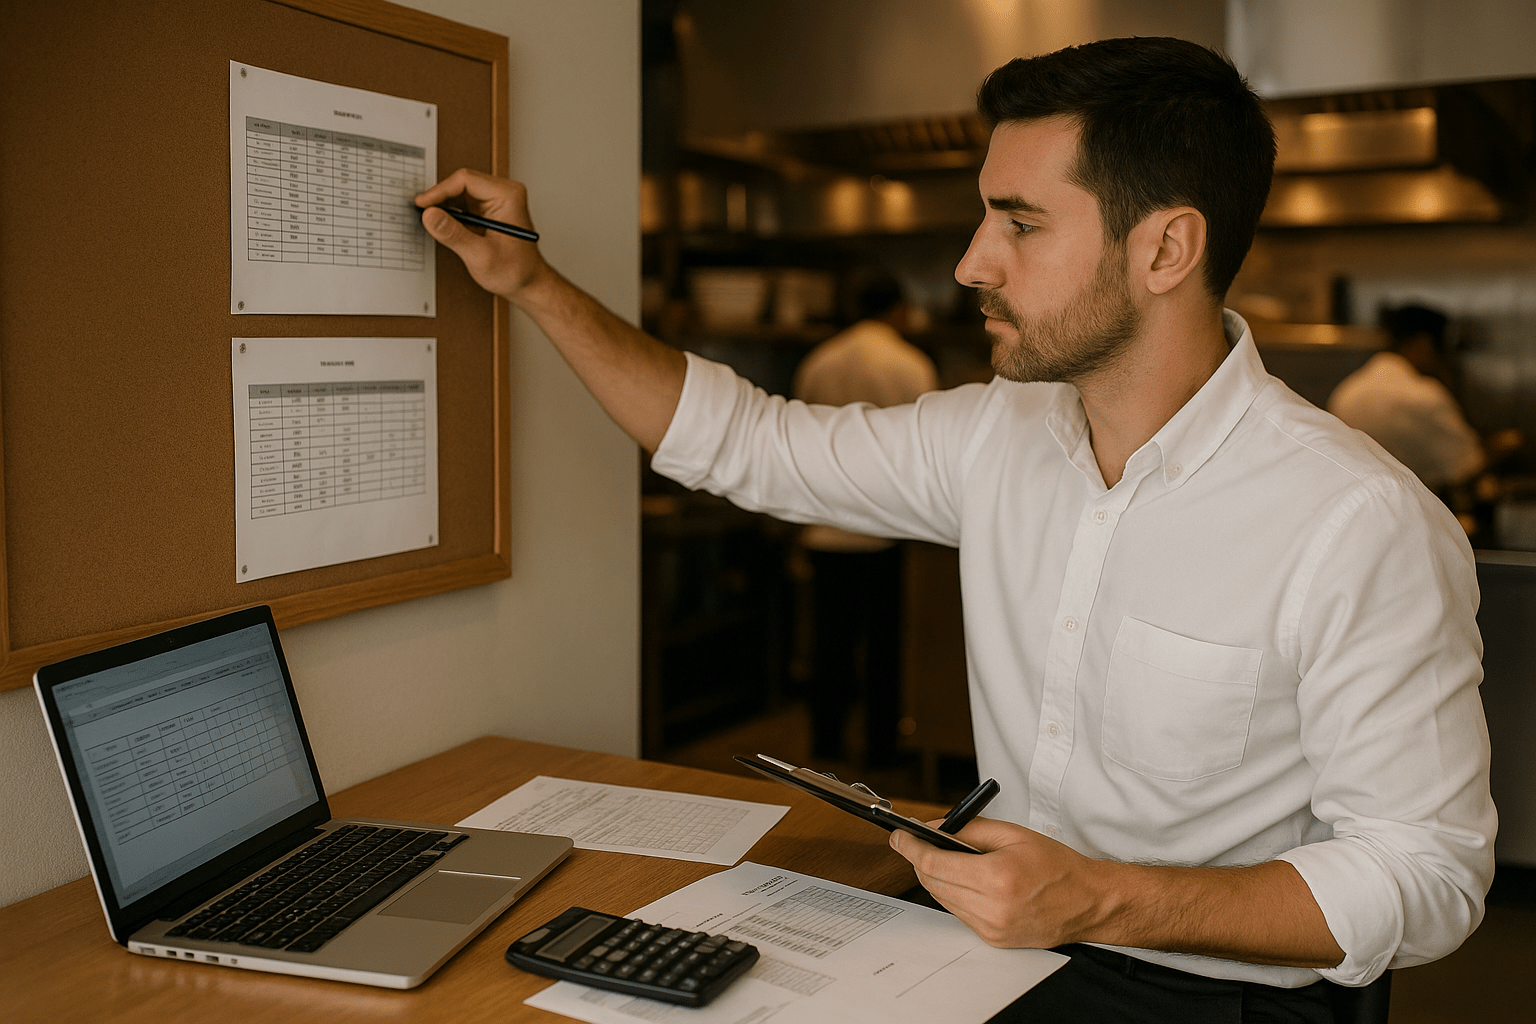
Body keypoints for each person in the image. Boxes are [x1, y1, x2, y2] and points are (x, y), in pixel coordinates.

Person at [416, 36, 1493, 1023]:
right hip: (993, 947)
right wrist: (532, 283)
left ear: (1167, 248)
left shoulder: (1359, 522)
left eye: (1020, 222)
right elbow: (747, 442)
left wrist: (1100, 898)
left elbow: (1427, 876)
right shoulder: (997, 435)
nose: (974, 260)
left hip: (1221, 997)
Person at [792, 269, 939, 766]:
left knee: (829, 644)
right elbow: (927, 451)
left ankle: (825, 742)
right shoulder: (911, 364)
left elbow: (801, 445)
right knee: (885, 647)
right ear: (897, 310)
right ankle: (881, 749)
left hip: (826, 527)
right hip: (885, 529)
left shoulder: (820, 361)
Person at [1328, 304, 1486, 490]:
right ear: (1424, 343)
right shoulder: (1424, 395)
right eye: (1442, 350)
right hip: (1411, 508)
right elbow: (1468, 468)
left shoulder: (1346, 391)